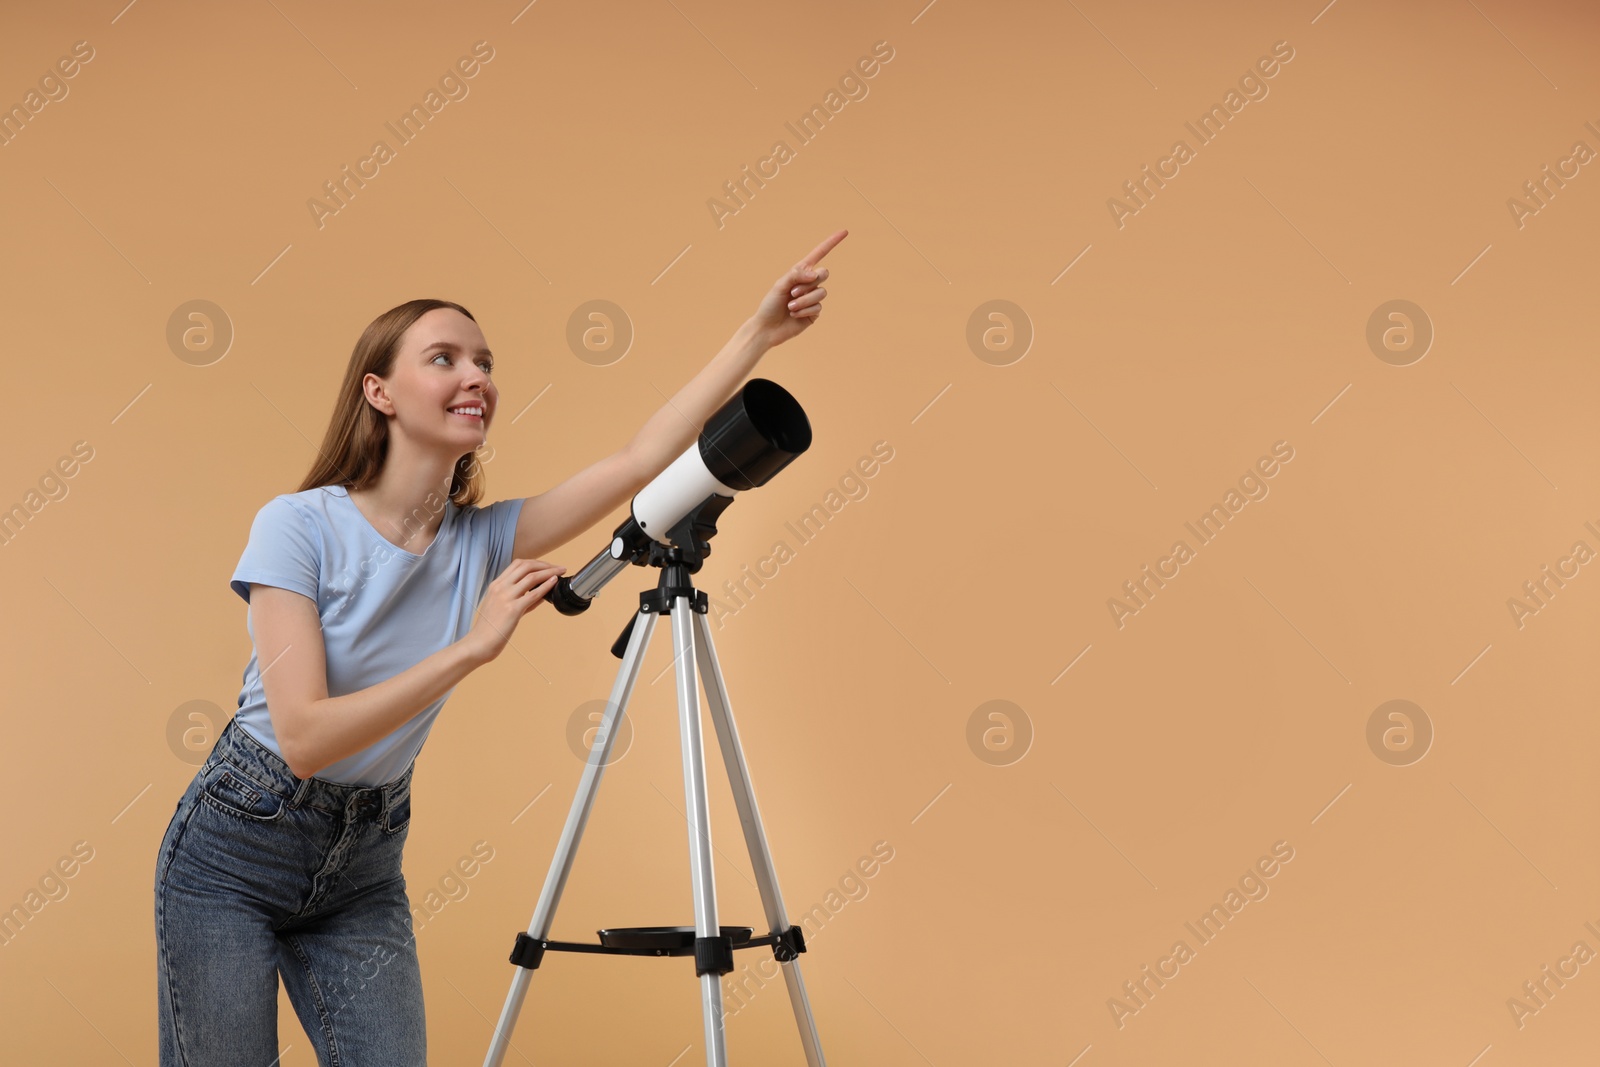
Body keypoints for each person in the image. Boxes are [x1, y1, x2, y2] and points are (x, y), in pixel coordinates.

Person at [153, 230, 847, 1065]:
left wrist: (759, 333)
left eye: (483, 361)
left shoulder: (482, 539)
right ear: (379, 391)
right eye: (443, 358)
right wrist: (473, 646)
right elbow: (303, 736)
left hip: (365, 856)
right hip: (237, 844)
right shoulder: (299, 525)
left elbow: (640, 459)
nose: (476, 376)